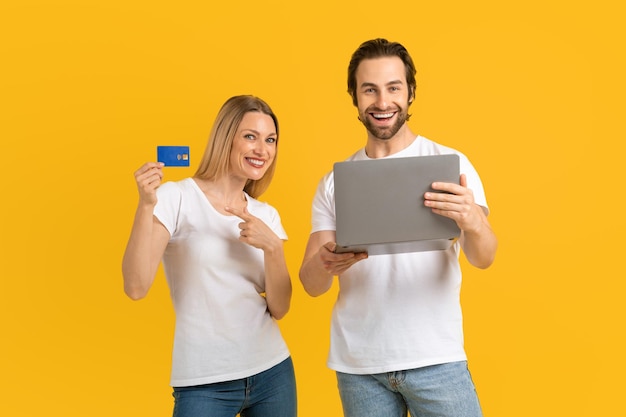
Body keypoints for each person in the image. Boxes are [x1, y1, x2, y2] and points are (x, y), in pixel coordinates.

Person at [299, 39, 498, 417]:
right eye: (369, 89)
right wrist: (326, 262)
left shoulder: (449, 164)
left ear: (410, 93)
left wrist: (472, 219)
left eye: (393, 88)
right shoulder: (334, 183)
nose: (382, 101)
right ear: (354, 97)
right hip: (360, 367)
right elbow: (311, 284)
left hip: (436, 358)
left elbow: (484, 257)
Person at [122, 95, 297, 417]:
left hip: (273, 372)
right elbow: (136, 287)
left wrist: (272, 248)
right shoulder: (177, 197)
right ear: (225, 137)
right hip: (205, 382)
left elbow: (281, 307)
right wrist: (145, 205)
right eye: (250, 136)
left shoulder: (266, 215)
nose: (262, 149)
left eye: (270, 140)